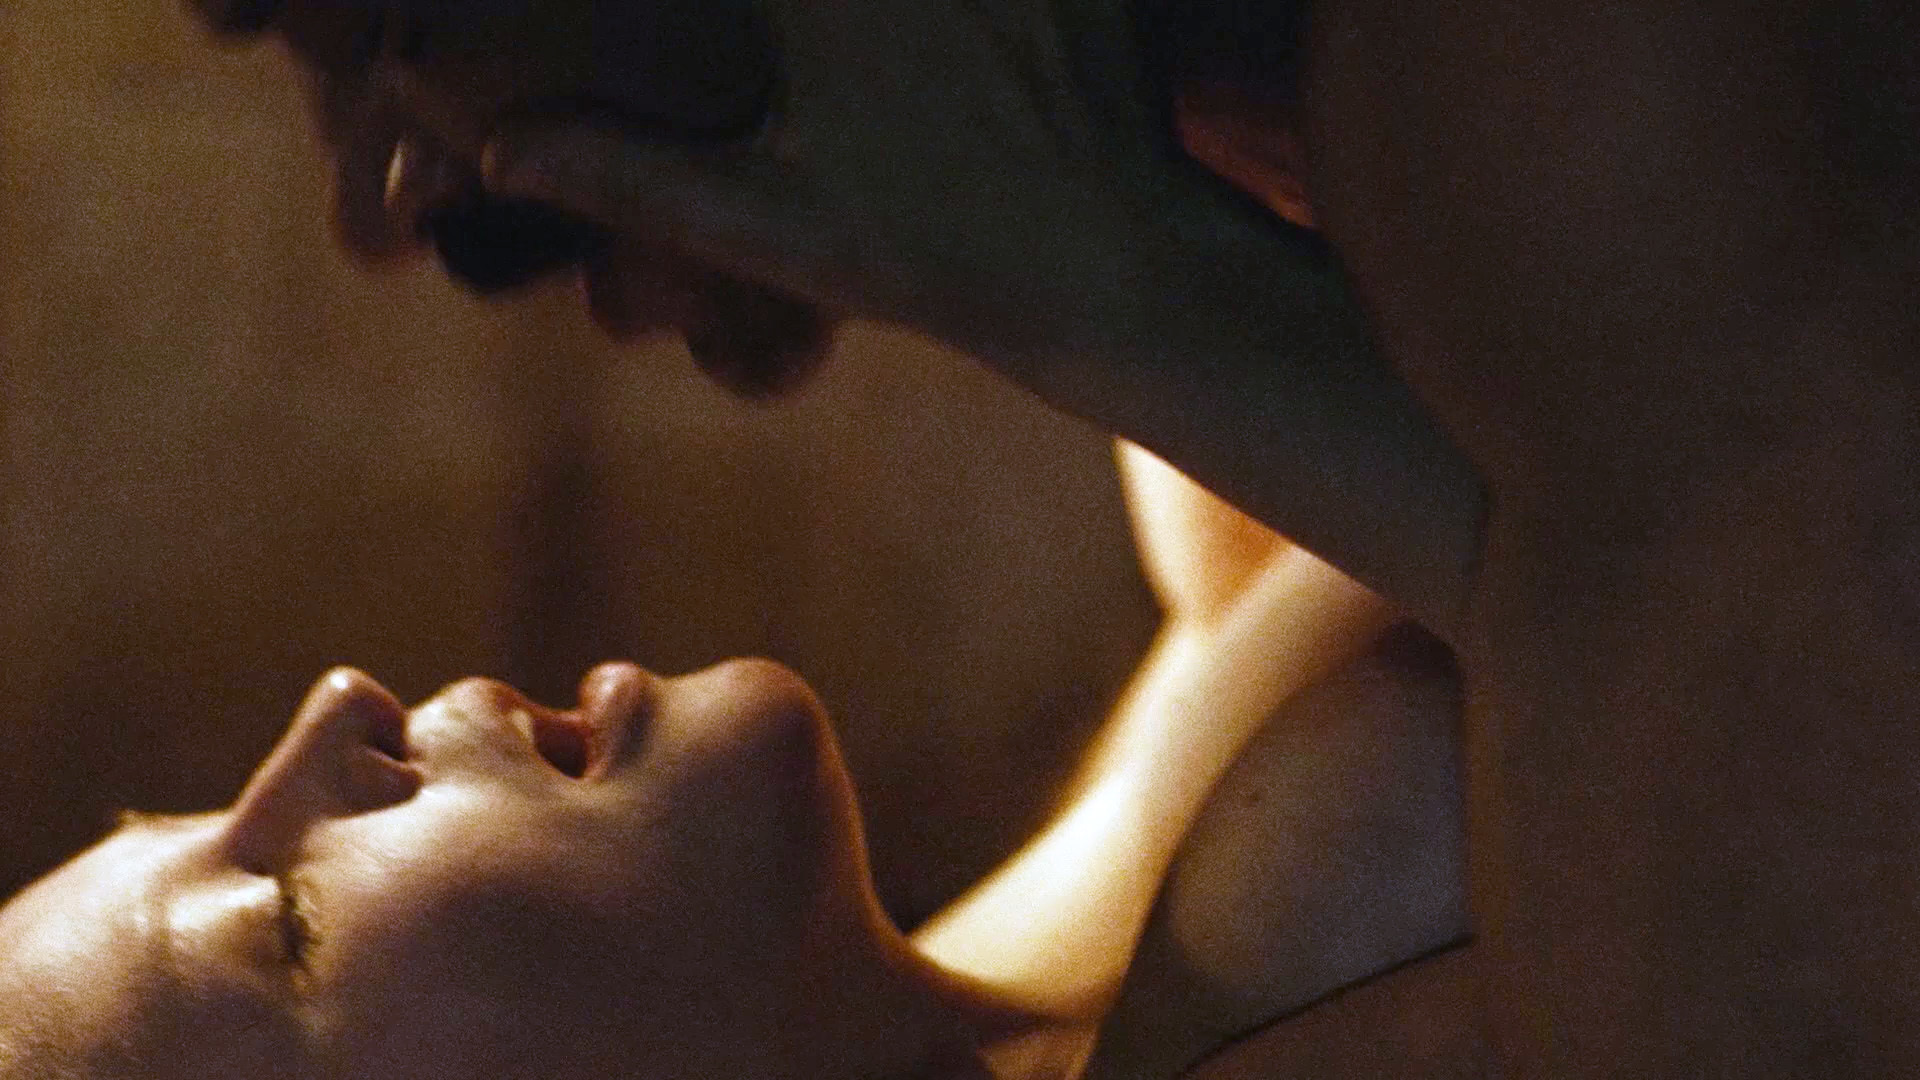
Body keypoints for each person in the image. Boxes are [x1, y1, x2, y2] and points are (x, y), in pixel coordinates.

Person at [190, 1, 1920, 1074]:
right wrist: (1090, 279)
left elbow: (1289, 565)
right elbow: (1787, 750)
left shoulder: (1049, 935)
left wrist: (989, 177)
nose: (331, 713)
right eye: (283, 927)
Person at [0, 440, 1460, 1080]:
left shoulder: (1011, 980)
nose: (337, 707)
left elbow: (1250, 595)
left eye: (209, 807)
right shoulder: (1313, 940)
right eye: (284, 921)